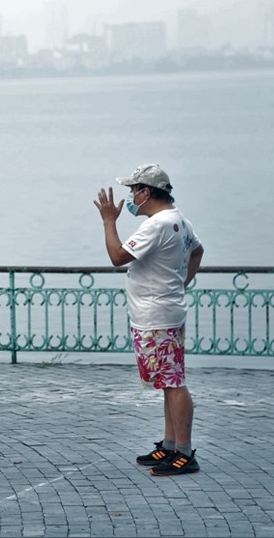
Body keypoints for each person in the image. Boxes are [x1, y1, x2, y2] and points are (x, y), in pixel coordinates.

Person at [93, 163, 204, 476]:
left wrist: (108, 221)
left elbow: (117, 257)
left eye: (133, 190)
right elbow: (198, 252)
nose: (130, 196)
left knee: (174, 383)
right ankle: (170, 445)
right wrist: (180, 284)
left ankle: (183, 452)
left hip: (156, 315)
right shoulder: (180, 219)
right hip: (164, 310)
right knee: (168, 382)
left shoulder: (156, 225)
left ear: (145, 191)